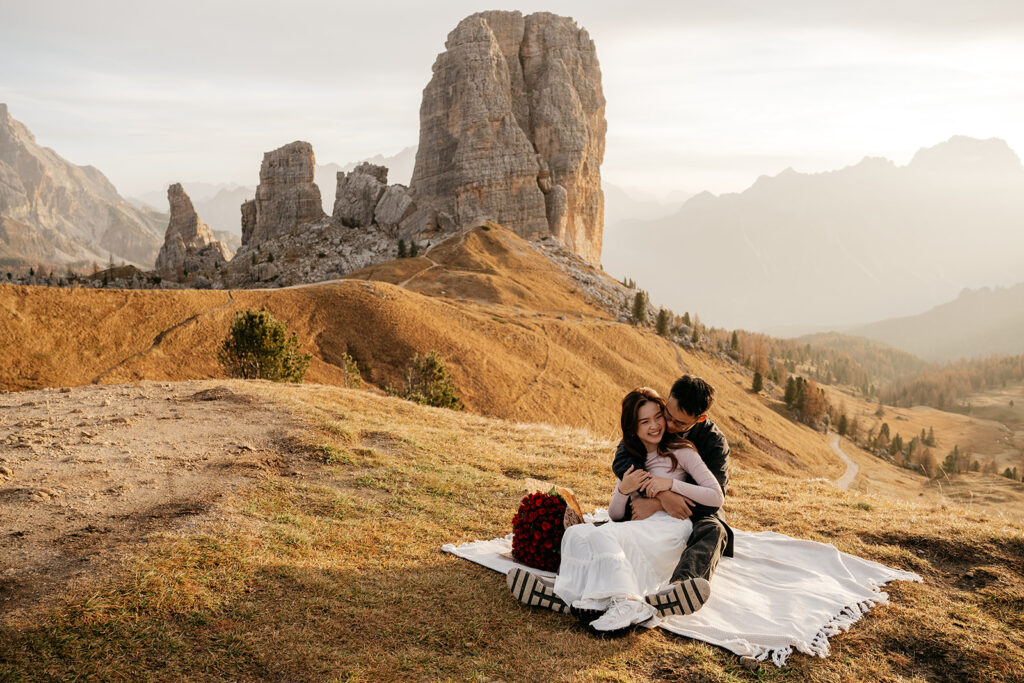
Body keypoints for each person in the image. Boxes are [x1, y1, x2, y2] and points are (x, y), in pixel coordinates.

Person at [508, 387, 723, 631]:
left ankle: (627, 600)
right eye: (645, 421)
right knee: (576, 534)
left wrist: (670, 485)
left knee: (602, 534)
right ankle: (575, 597)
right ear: (633, 427)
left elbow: (716, 497)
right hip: (640, 527)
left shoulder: (681, 450)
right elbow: (615, 514)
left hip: (669, 527)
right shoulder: (632, 460)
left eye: (658, 417)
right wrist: (624, 490)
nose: (655, 426)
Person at [613, 375, 733, 618]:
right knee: (614, 524)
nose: (667, 423)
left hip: (696, 510)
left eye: (679, 423)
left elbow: (712, 497)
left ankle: (680, 588)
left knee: (713, 530)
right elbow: (625, 460)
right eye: (666, 413)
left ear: (699, 419)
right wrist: (657, 497)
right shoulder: (655, 422)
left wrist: (662, 499)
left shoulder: (714, 443)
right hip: (646, 502)